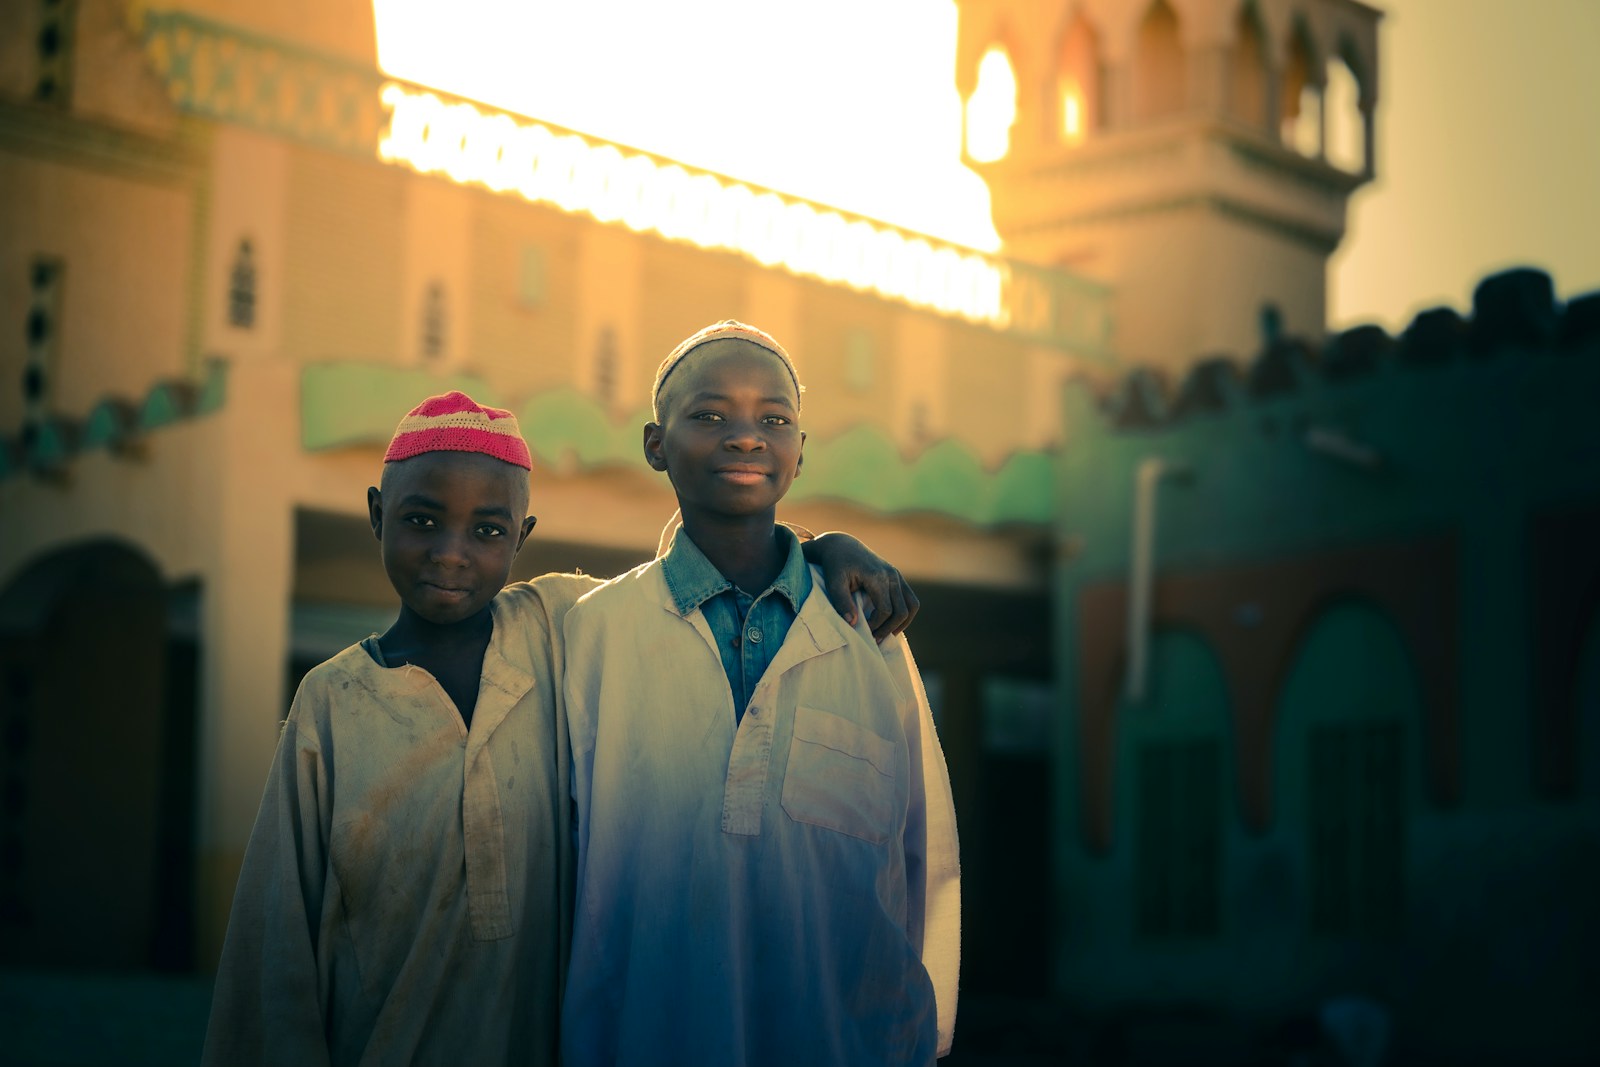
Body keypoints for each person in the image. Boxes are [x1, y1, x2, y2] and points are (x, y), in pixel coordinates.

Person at [201, 390, 922, 1067]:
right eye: (422, 519)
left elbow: (699, 567)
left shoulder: (562, 628)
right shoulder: (331, 702)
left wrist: (822, 546)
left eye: (487, 530)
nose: (451, 551)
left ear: (523, 535)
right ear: (375, 513)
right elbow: (275, 947)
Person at [562, 322, 961, 1067]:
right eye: (710, 415)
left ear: (801, 451)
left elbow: (923, 856)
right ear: (655, 444)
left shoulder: (866, 633)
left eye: (773, 419)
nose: (746, 437)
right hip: (642, 1039)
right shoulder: (593, 635)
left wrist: (921, 1044)